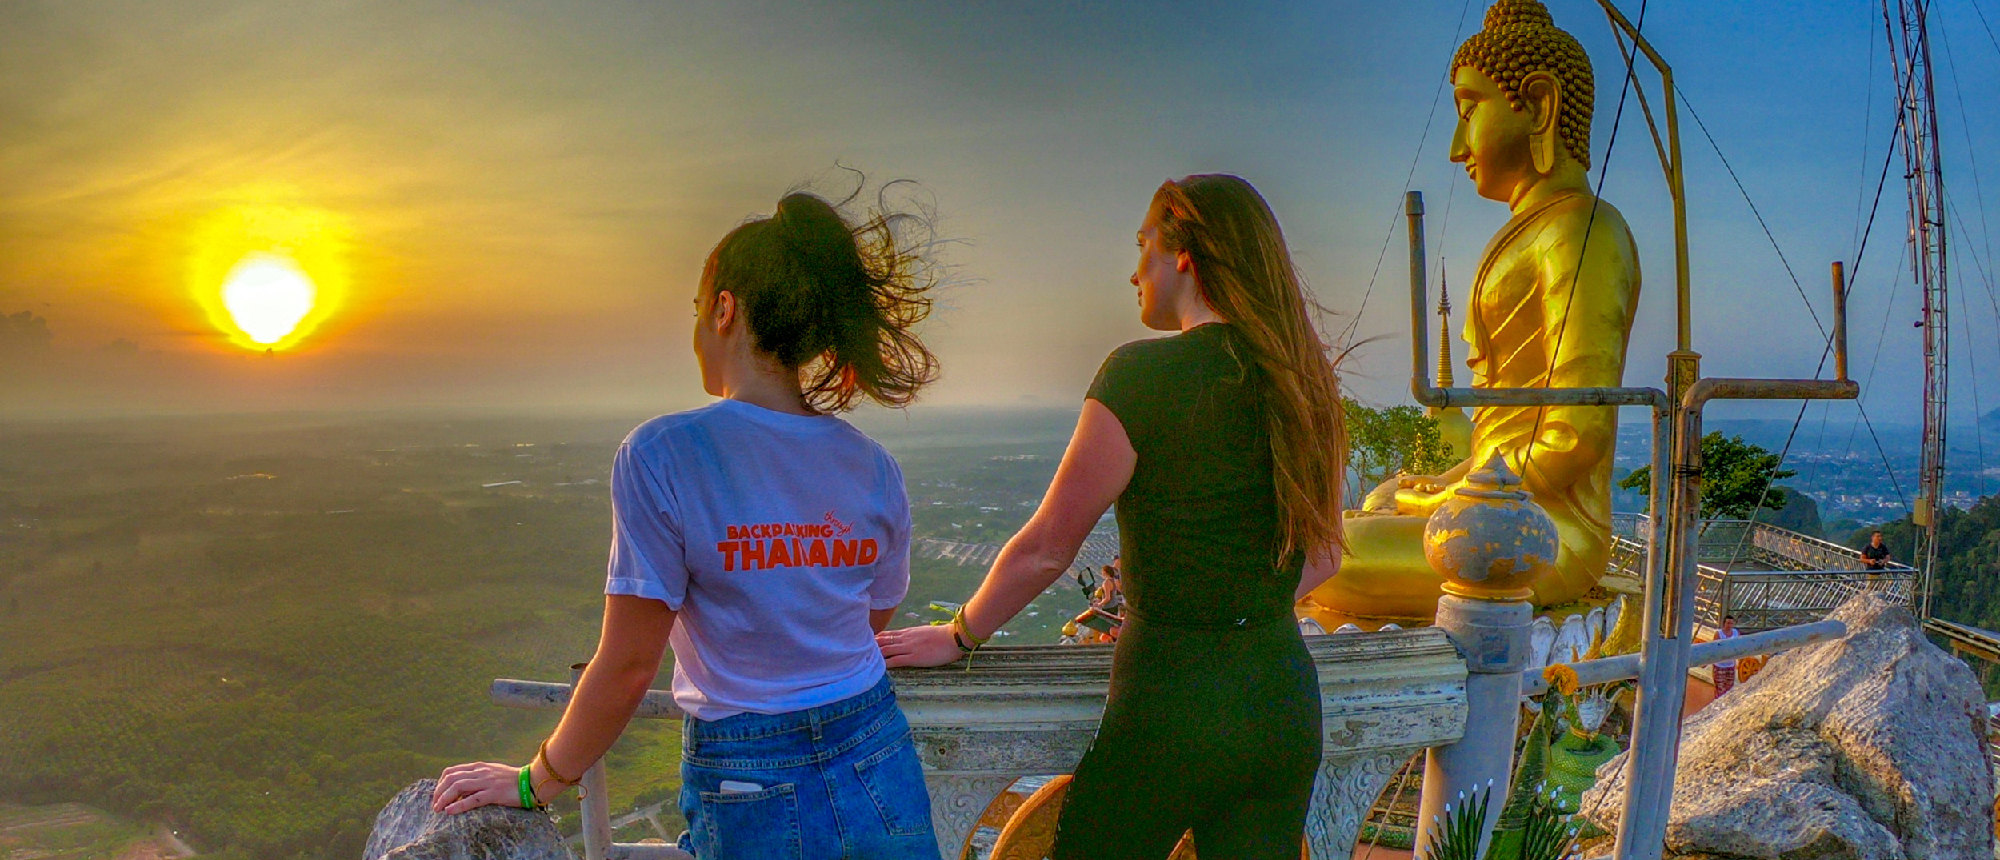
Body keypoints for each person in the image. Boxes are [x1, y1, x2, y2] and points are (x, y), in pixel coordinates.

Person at [430, 189, 945, 860]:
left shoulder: (665, 455)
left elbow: (629, 665)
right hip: (878, 748)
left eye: (698, 310)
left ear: (724, 309)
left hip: (748, 773)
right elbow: (872, 613)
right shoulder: (871, 465)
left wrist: (537, 780)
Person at [878, 174, 1348, 859]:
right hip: (1280, 706)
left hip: (1169, 709)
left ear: (1185, 252)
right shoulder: (1304, 379)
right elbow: (1326, 556)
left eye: (1144, 247)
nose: (1135, 273)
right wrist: (1234, 599)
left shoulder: (1139, 377)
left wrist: (960, 632)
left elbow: (1047, 548)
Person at [1712, 615, 1742, 696]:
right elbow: (1715, 648)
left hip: (1730, 665)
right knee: (1720, 688)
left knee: (1729, 688)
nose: (1730, 625)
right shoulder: (1718, 634)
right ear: (1724, 624)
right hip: (1720, 665)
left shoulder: (1735, 632)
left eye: (1731, 623)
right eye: (1728, 623)